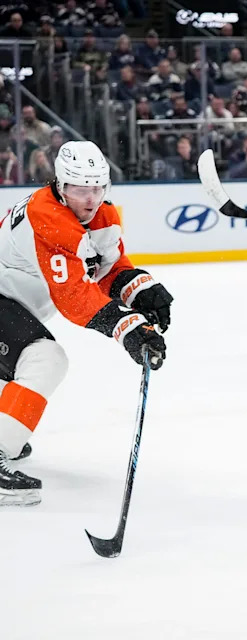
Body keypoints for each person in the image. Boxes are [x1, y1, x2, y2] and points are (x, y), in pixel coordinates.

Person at [0, 141, 171, 506]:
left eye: (98, 187)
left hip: (12, 303)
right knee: (44, 360)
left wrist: (141, 290)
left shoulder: (102, 216)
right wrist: (128, 329)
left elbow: (105, 271)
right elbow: (75, 298)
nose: (91, 199)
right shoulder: (48, 218)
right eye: (80, 189)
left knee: (24, 365)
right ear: (61, 187)